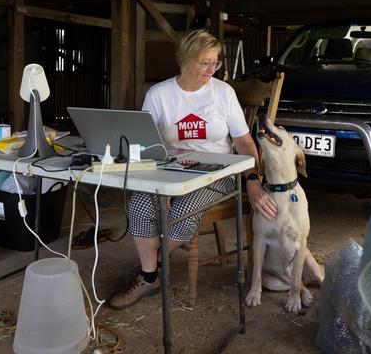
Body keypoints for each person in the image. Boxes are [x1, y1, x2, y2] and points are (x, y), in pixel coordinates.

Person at [109, 29, 278, 309]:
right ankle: (150, 278)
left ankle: (150, 268)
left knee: (185, 209)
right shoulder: (159, 94)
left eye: (216, 62)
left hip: (217, 172)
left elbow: (244, 141)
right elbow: (148, 143)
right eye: (205, 62)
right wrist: (158, 184)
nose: (212, 69)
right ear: (185, 60)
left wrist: (252, 178)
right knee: (139, 204)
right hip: (170, 170)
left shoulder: (223, 93)